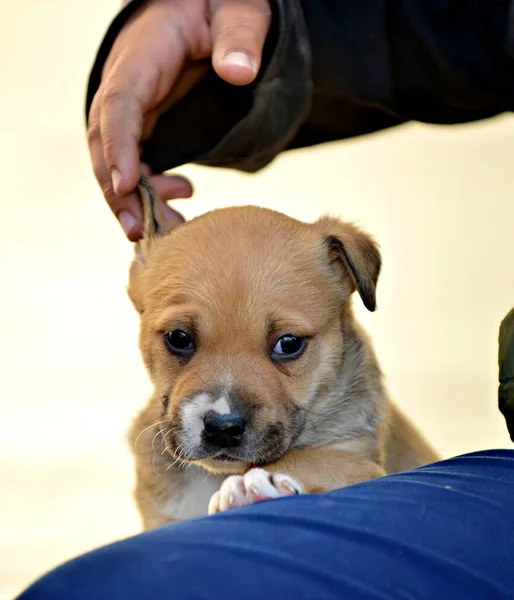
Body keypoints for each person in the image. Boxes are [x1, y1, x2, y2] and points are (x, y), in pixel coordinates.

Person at [18, 1, 514, 598]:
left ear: (349, 279)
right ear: (138, 280)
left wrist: (286, 476)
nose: (224, 409)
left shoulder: (342, 425)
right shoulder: (159, 451)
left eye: (285, 346)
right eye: (181, 341)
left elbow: (356, 472)